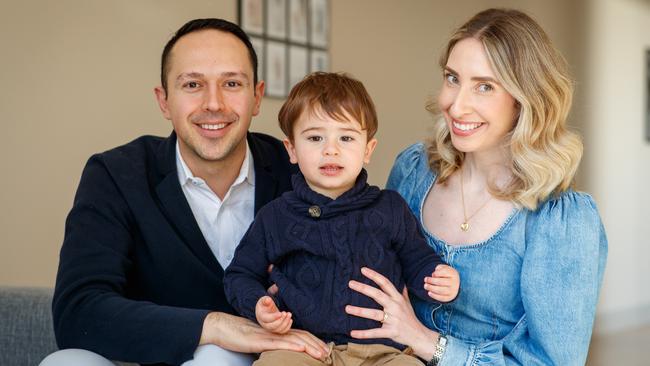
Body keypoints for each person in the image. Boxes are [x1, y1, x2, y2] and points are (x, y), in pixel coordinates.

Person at [43, 18, 329, 366]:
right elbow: (78, 311)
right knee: (66, 362)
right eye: (193, 84)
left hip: (264, 360)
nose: (213, 103)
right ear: (164, 101)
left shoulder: (302, 173)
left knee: (216, 358)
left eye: (232, 83)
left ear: (256, 97)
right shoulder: (115, 174)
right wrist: (212, 324)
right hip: (154, 356)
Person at [342, 8, 608, 366]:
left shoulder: (562, 219)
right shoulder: (414, 169)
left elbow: (550, 363)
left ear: (524, 98)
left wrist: (426, 341)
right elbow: (374, 268)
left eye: (484, 86)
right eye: (453, 78)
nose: (456, 104)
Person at [223, 72, 460, 366]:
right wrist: (258, 305)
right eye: (315, 137)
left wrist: (436, 278)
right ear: (292, 150)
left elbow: (417, 258)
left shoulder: (389, 208)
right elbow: (240, 275)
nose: (330, 149)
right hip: (300, 347)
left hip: (381, 352)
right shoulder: (276, 216)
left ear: (368, 150)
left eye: (346, 137)